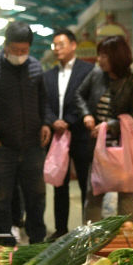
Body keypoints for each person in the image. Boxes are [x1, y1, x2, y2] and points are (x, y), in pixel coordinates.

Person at [0, 21, 51, 246]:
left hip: (32, 145)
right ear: (6, 45)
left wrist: (46, 123)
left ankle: (37, 243)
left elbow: (44, 101)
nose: (19, 55)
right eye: (15, 50)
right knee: (1, 198)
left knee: (36, 197)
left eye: (24, 51)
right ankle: (5, 245)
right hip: (2, 146)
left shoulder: (35, 67)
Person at [75, 35, 133, 222]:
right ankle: (90, 238)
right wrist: (87, 115)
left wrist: (110, 126)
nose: (100, 60)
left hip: (123, 149)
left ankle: (126, 238)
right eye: (100, 55)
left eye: (104, 56)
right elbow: (79, 95)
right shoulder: (96, 75)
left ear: (117, 57)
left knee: (126, 194)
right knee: (94, 193)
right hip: (98, 149)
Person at [43, 28, 94, 240]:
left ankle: (87, 228)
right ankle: (60, 229)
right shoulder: (48, 75)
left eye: (61, 44)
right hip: (57, 137)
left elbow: (90, 100)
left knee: (86, 182)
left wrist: (70, 121)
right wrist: (53, 120)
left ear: (73, 45)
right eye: (54, 45)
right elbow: (43, 102)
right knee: (59, 182)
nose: (57, 49)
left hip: (81, 134)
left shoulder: (89, 70)